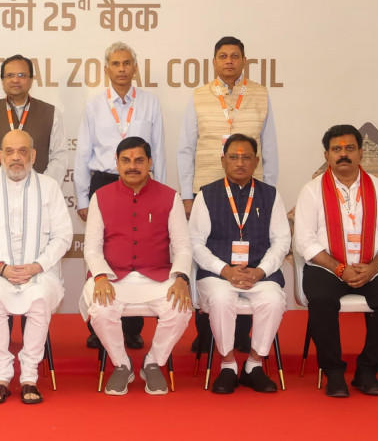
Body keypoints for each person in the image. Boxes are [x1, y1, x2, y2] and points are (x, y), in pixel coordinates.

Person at [177, 36, 279, 352]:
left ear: (244, 61)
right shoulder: (199, 96)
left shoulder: (260, 94)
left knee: (249, 254)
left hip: (251, 188)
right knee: (206, 255)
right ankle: (206, 334)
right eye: (223, 56)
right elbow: (185, 147)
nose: (229, 61)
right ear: (214, 62)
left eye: (235, 56)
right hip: (208, 189)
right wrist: (187, 194)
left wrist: (270, 189)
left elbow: (269, 146)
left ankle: (241, 334)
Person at [292, 124, 378, 398]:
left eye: (350, 148)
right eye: (337, 149)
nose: (343, 154)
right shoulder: (311, 191)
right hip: (327, 268)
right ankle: (333, 372)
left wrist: (373, 268)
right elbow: (304, 241)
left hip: (372, 267)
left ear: (361, 152)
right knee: (321, 300)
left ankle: (367, 370)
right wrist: (339, 268)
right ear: (327, 155)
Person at [0, 130, 73, 404]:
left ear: (33, 155)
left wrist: (37, 266)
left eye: (22, 151)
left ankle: (29, 377)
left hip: (37, 269)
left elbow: (63, 235)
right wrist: (0, 266)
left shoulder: (49, 187)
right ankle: (1, 376)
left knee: (39, 299)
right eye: (10, 151)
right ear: (0, 156)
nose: (16, 157)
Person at [82, 137, 193, 396]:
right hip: (113, 276)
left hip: (156, 277)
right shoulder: (101, 197)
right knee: (100, 310)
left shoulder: (170, 197)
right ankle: (122, 364)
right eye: (126, 160)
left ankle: (153, 362)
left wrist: (181, 278)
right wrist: (100, 276)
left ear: (150, 162)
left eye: (139, 160)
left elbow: (183, 247)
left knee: (180, 310)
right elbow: (92, 248)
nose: (132, 166)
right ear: (117, 163)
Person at [73, 42, 166, 350]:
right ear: (107, 69)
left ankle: (132, 328)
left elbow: (159, 149)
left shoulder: (150, 103)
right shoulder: (94, 105)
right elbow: (83, 152)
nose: (122, 69)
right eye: (116, 64)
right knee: (101, 251)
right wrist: (83, 198)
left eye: (127, 63)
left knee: (138, 250)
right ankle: (98, 324)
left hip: (142, 183)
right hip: (104, 182)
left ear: (135, 68)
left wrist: (162, 194)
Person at [188, 134, 287, 394]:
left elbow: (281, 241)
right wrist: (224, 270)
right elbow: (195, 243)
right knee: (222, 300)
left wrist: (261, 271)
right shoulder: (207, 195)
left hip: (259, 274)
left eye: (246, 157)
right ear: (223, 161)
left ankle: (254, 365)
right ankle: (228, 365)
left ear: (256, 161)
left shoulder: (270, 195)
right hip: (218, 275)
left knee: (273, 301)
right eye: (234, 157)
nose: (240, 163)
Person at [0, 54, 70, 184]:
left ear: (31, 80)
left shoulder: (51, 113)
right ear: (2, 80)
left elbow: (59, 158)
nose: (15, 80)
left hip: (39, 191)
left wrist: (41, 186)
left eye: (22, 75)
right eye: (10, 75)